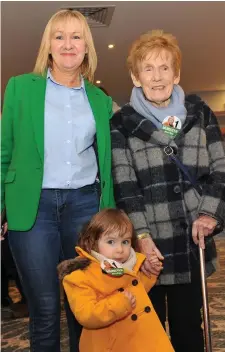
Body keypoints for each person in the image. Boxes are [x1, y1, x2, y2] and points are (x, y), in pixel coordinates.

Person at [1, 9, 115, 352]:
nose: (68, 43)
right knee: (45, 307)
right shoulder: (20, 88)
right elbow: (4, 152)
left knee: (84, 306)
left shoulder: (100, 100)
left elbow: (107, 161)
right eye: (59, 36)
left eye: (77, 36)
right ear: (48, 45)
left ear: (87, 46)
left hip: (84, 206)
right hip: (32, 209)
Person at [110, 30, 225, 352]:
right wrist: (142, 238)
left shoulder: (200, 113)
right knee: (150, 331)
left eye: (164, 68)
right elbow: (125, 184)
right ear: (135, 77)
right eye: (148, 68)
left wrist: (209, 214)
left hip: (192, 238)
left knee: (190, 325)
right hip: (150, 247)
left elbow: (221, 168)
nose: (157, 77)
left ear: (176, 74)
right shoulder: (120, 124)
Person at [58, 208, 174, 352]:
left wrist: (149, 274)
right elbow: (87, 314)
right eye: (111, 241)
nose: (120, 249)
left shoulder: (130, 264)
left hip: (141, 340)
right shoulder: (79, 277)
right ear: (93, 242)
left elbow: (138, 291)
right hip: (110, 345)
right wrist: (120, 304)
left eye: (125, 242)